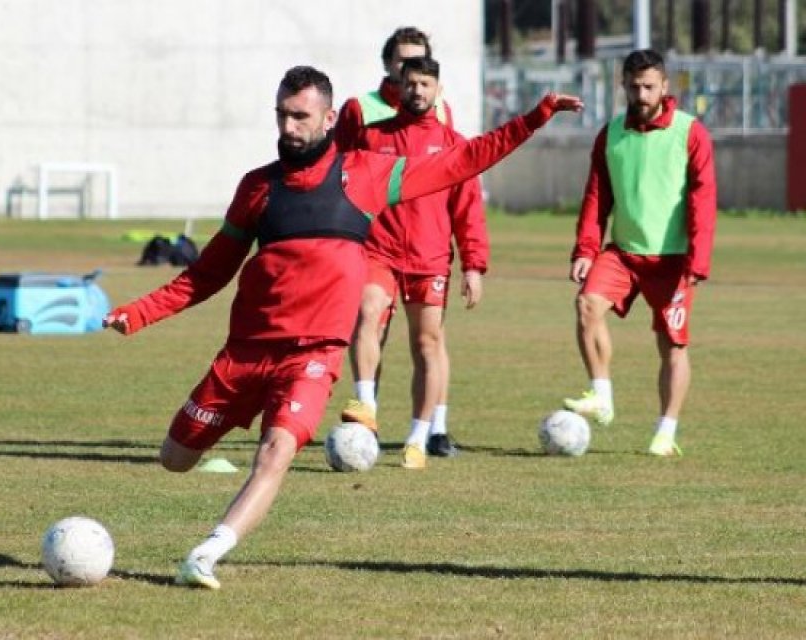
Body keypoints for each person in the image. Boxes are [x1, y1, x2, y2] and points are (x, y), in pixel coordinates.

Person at [104, 65, 582, 590]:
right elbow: (208, 273)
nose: (289, 127)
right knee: (175, 459)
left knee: (277, 450)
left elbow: (462, 160)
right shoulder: (257, 188)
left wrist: (535, 117)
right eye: (282, 115)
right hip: (242, 354)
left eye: (301, 117)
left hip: (312, 354)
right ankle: (204, 508)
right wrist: (138, 312)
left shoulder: (366, 174)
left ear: (330, 118)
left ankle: (208, 553)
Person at [563, 48, 717, 457]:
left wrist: (698, 261)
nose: (642, 94)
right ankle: (601, 395)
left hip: (674, 261)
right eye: (634, 86)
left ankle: (666, 431)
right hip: (624, 254)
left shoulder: (690, 132)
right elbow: (597, 197)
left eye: (649, 86)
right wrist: (585, 249)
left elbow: (704, 199)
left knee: (672, 347)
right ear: (623, 87)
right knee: (586, 306)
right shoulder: (610, 133)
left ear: (665, 86)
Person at [341, 57, 487, 469]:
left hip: (430, 258)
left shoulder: (455, 145)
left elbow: (468, 209)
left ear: (438, 90)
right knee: (367, 310)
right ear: (397, 88)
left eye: (425, 84)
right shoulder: (372, 138)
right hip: (379, 251)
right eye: (411, 84)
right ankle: (366, 405)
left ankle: (419, 438)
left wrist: (474, 265)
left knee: (427, 345)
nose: (417, 91)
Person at [334, 26, 452, 150]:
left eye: (418, 62)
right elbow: (340, 161)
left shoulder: (442, 108)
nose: (411, 68)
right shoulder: (357, 107)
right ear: (387, 63)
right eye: (404, 61)